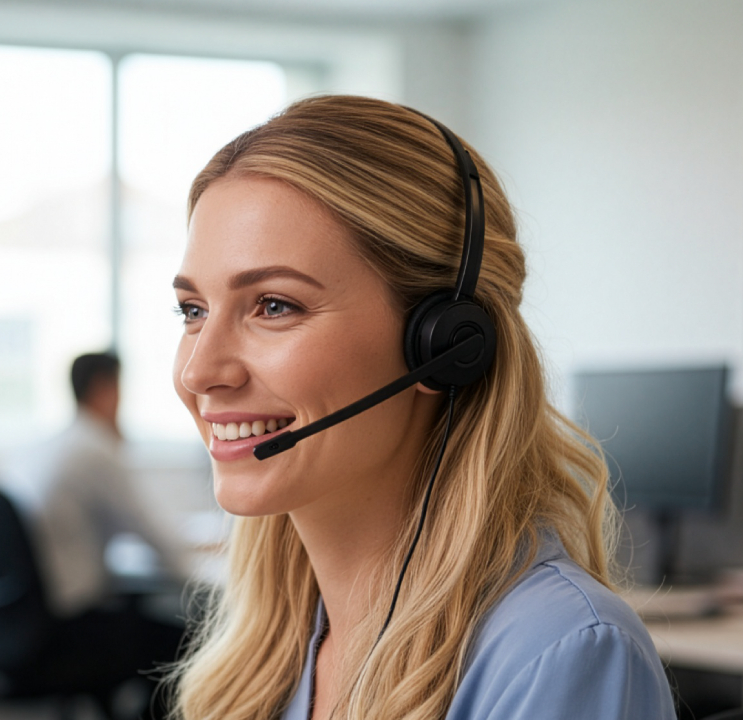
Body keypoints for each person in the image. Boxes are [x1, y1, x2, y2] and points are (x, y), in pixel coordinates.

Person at [170, 96, 672, 719]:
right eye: (193, 311)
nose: (199, 371)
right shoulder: (268, 658)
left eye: (274, 305)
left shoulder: (562, 654)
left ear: (444, 344)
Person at [0, 352, 191, 714]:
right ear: (105, 390)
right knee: (191, 643)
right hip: (71, 628)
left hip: (23, 629)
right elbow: (152, 534)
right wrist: (196, 574)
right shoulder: (93, 449)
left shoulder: (40, 448)